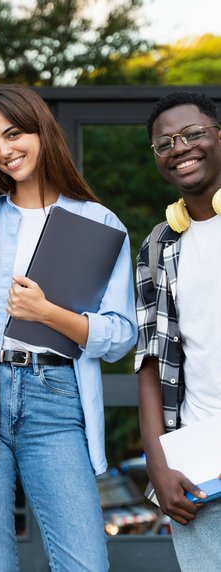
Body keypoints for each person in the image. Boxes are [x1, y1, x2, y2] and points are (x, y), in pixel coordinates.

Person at [0, 84, 137, 572]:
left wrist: (48, 312)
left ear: (41, 131)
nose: (5, 151)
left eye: (13, 134)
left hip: (55, 401)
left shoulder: (97, 222)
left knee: (85, 564)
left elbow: (121, 337)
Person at [135, 91, 221, 571]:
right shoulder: (157, 246)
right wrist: (159, 464)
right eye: (164, 142)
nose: (179, 147)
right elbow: (149, 363)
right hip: (201, 471)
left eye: (192, 134)